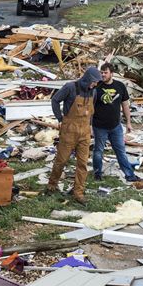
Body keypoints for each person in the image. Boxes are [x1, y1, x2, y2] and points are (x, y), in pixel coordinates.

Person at [47, 66, 102, 204]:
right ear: (88, 78)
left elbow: (90, 112)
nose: (95, 84)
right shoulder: (70, 87)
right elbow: (55, 100)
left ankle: (78, 192)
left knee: (83, 163)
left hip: (85, 132)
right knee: (62, 160)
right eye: (94, 81)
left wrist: (89, 126)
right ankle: (52, 185)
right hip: (69, 130)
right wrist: (60, 118)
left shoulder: (93, 92)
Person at [92, 63, 143, 182]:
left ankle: (129, 175)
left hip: (116, 126)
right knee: (98, 151)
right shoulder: (97, 87)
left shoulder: (120, 86)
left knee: (121, 151)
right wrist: (90, 125)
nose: (103, 75)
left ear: (112, 74)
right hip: (99, 126)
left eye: (105, 72)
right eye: (102, 72)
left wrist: (129, 122)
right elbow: (90, 106)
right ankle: (97, 174)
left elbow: (125, 105)